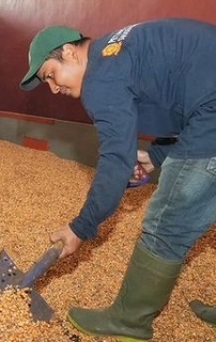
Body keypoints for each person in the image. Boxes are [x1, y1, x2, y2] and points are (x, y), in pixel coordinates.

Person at [19, 18, 216, 340]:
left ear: (69, 52)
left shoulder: (101, 75)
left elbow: (115, 158)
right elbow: (183, 101)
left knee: (168, 222)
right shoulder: (117, 51)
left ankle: (129, 321)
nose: (54, 89)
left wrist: (81, 226)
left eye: (50, 75)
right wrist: (154, 157)